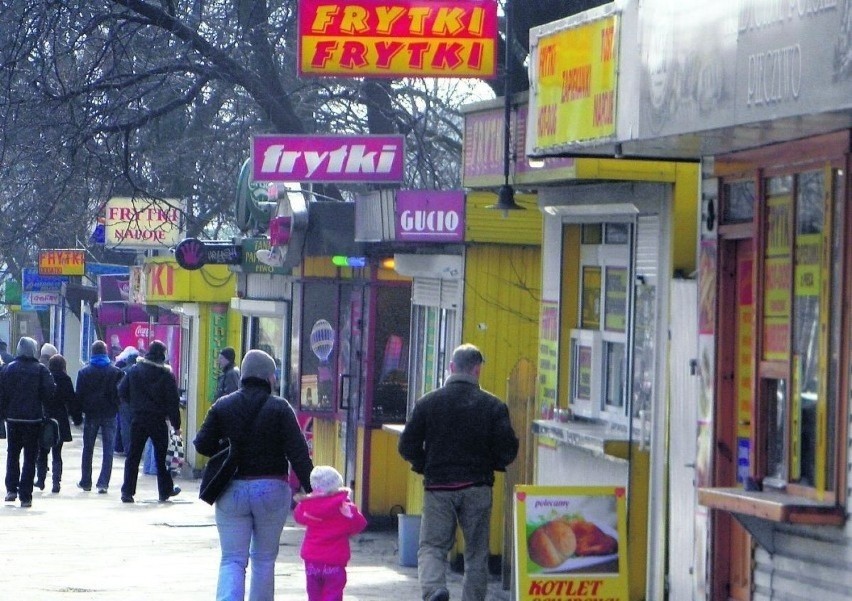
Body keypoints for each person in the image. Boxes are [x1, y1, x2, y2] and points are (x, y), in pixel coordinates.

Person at [398, 344, 519, 601]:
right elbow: (508, 450)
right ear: (478, 370)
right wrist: (491, 463)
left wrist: (424, 464)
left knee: (432, 545)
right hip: (478, 485)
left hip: (438, 487)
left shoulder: (427, 403)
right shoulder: (493, 406)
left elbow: (406, 445)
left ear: (451, 367)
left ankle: (435, 590)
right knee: (476, 552)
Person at [194, 349, 314, 601]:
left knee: (232, 559)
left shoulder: (223, 405)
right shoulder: (280, 408)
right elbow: (298, 453)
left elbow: (202, 444)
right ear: (270, 378)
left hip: (231, 489)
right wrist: (313, 492)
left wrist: (228, 448)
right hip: (271, 489)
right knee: (264, 559)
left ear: (243, 376)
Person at [119, 340, 182, 503]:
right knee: (161, 456)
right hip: (158, 419)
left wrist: (134, 404)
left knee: (133, 455)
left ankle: (127, 492)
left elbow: (121, 390)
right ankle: (165, 490)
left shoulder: (134, 371)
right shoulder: (166, 375)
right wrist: (176, 425)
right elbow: (172, 401)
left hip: (138, 418)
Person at [293, 465, 367, 601]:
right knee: (333, 593)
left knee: (314, 594)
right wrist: (350, 515)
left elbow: (298, 516)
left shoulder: (308, 505)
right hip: (335, 560)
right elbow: (360, 525)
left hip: (312, 560)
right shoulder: (344, 506)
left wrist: (308, 499)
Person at [0, 337, 56, 508]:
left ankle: (11, 489)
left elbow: (2, 394)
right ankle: (26, 495)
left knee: (13, 454)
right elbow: (49, 392)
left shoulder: (7, 369)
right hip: (33, 419)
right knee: (30, 457)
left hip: (13, 419)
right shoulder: (40, 370)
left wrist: (4, 413)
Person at [75, 340, 124, 494]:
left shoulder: (84, 372)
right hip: (110, 414)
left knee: (88, 448)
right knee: (108, 449)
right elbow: (120, 394)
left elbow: (79, 395)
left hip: (91, 415)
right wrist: (116, 405)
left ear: (92, 352)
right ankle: (103, 483)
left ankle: (86, 481)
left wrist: (79, 414)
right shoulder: (115, 372)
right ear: (105, 351)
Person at [36, 353, 76, 494]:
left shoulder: (46, 377)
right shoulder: (66, 379)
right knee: (57, 453)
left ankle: (40, 480)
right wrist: (77, 418)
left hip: (46, 417)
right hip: (61, 419)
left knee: (43, 451)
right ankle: (56, 482)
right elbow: (71, 400)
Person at [113, 346, 139, 455]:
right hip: (137, 403)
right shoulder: (139, 372)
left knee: (125, 426)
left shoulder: (122, 371)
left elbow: (118, 388)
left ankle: (128, 450)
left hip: (124, 403)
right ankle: (134, 448)